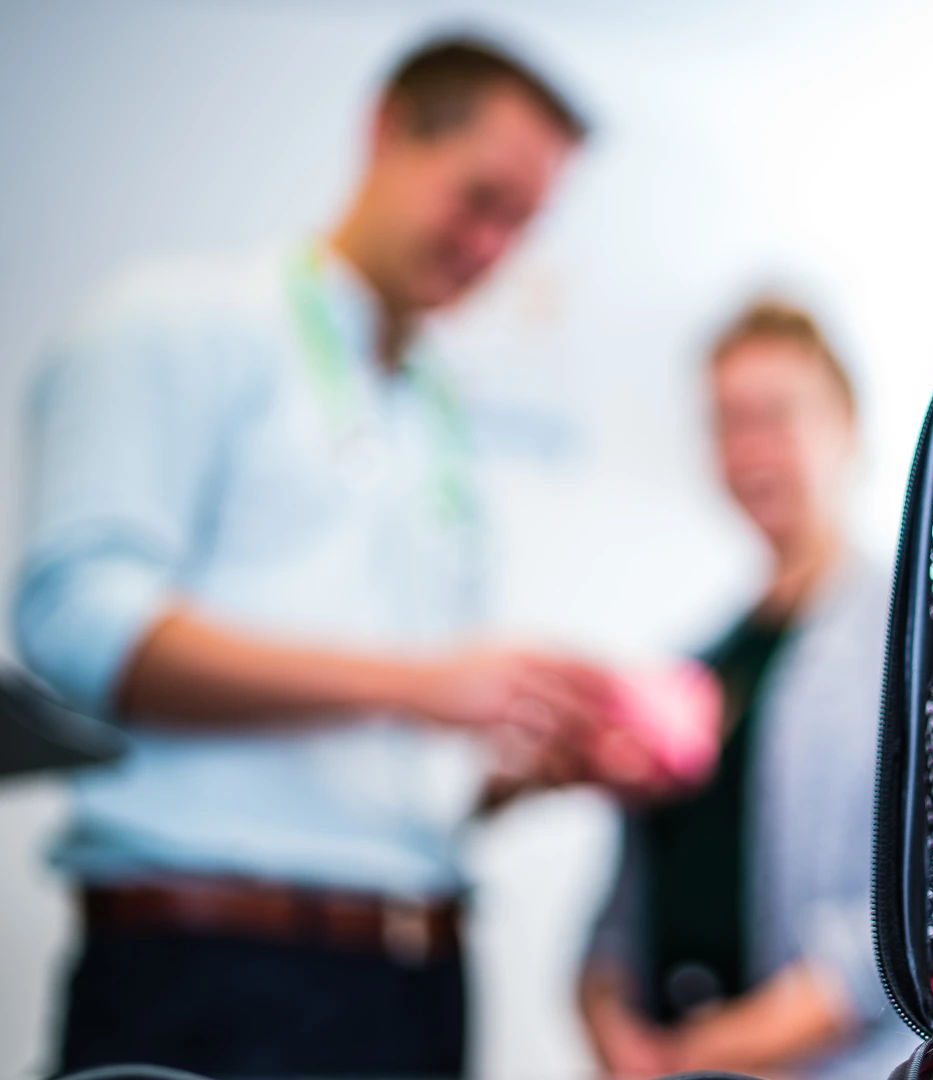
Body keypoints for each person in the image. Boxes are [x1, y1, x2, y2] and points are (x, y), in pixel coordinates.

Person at [11, 35, 648, 1078]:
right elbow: (80, 627)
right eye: (478, 199)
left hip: (415, 987)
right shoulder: (175, 325)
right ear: (388, 130)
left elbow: (387, 745)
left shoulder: (434, 413)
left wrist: (518, 768)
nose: (492, 247)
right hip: (216, 976)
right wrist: (424, 684)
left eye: (522, 224)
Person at [577, 301, 918, 1078]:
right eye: (727, 421)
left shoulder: (912, 648)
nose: (749, 448)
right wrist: (612, 1023)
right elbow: (616, 919)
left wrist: (703, 1054)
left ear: (848, 426)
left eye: (775, 416)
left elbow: (907, 925)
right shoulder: (690, 663)